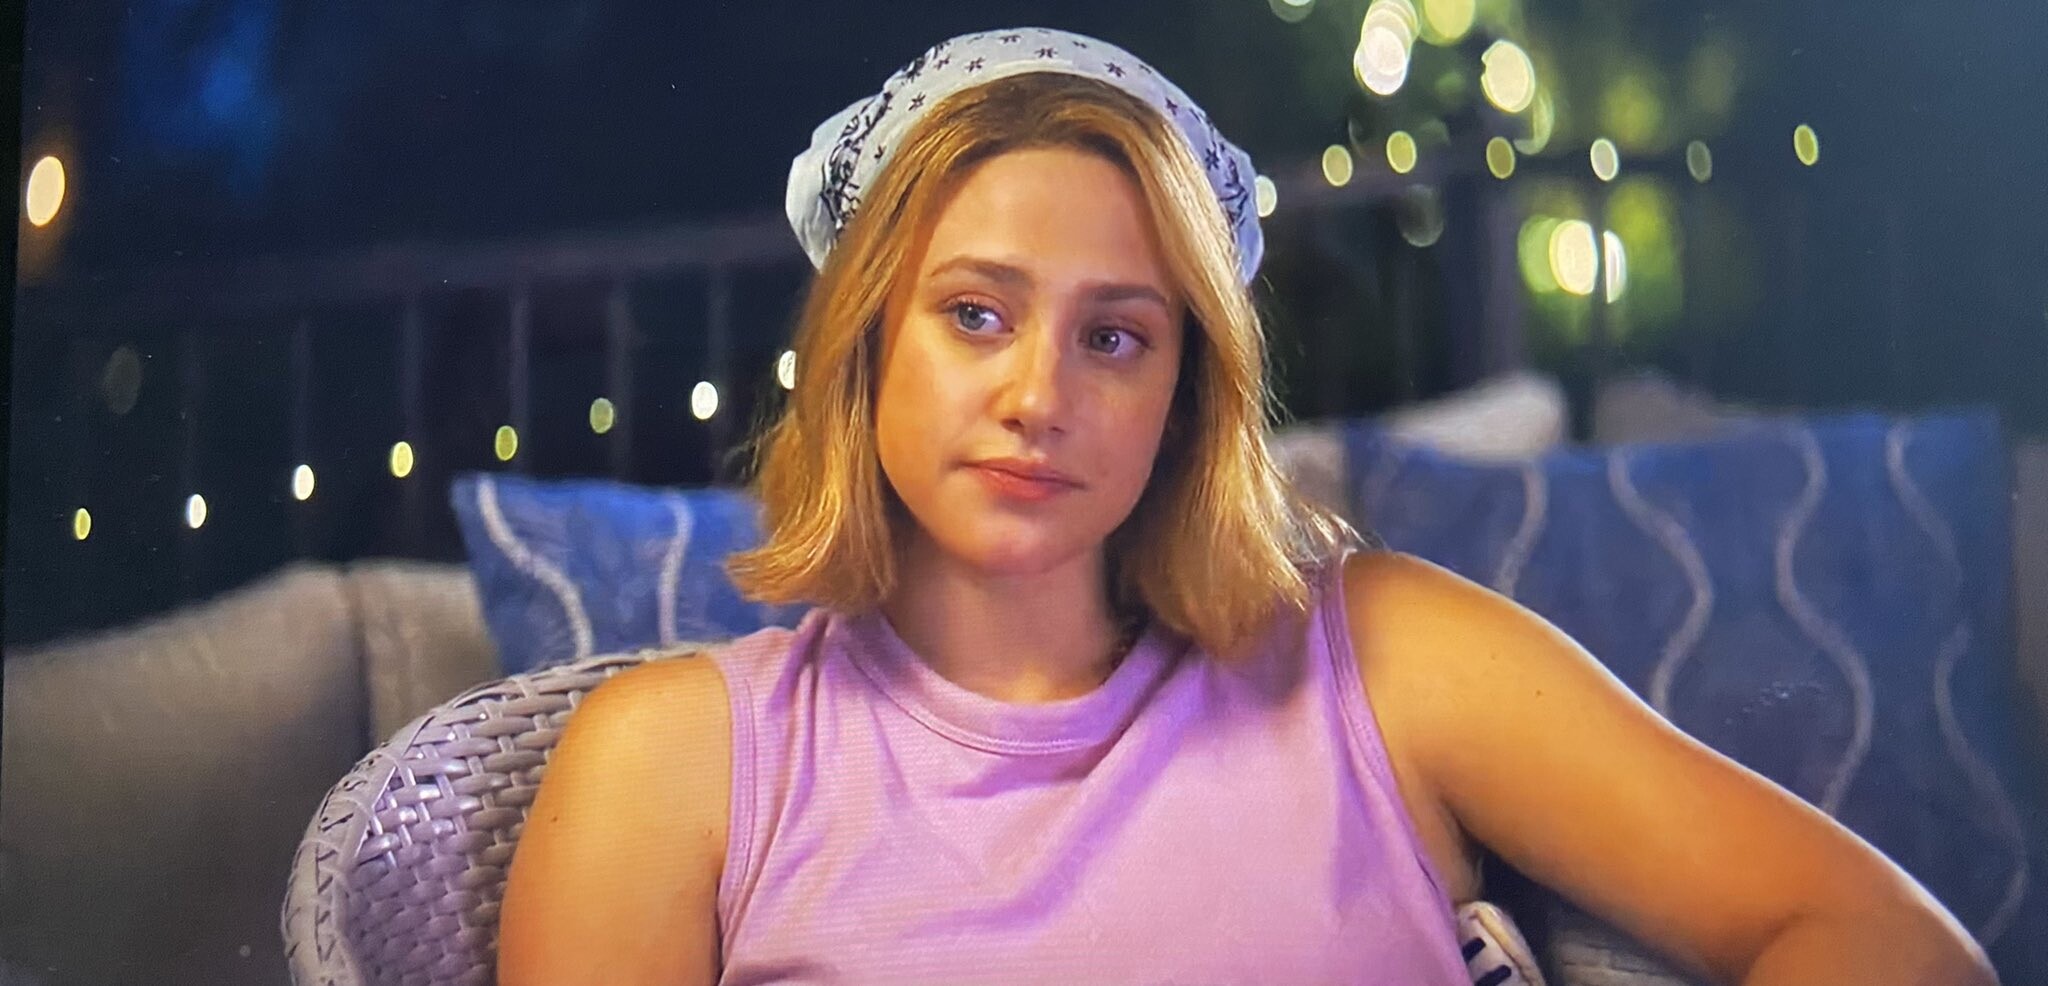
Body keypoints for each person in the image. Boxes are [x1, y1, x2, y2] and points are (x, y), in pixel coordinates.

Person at [496, 27, 1994, 986]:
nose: (1038, 394)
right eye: (975, 314)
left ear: (1185, 390)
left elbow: (1890, 941)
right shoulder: (671, 768)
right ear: (866, 341)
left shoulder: (1387, 658)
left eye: (1115, 336)